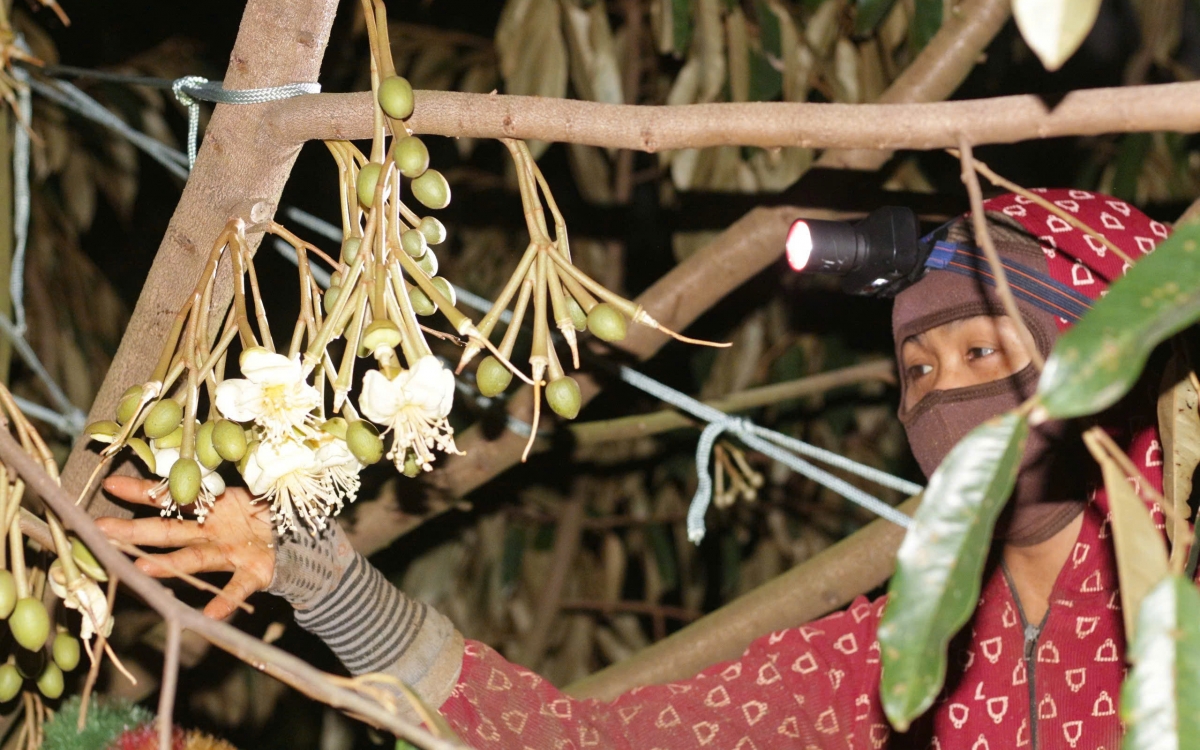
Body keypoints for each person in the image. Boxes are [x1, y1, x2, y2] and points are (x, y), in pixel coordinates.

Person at [97, 189, 1176, 749]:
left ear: (1109, 363)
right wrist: (318, 573)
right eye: (916, 369)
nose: (941, 399)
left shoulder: (1182, 588)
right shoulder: (896, 649)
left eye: (983, 353)